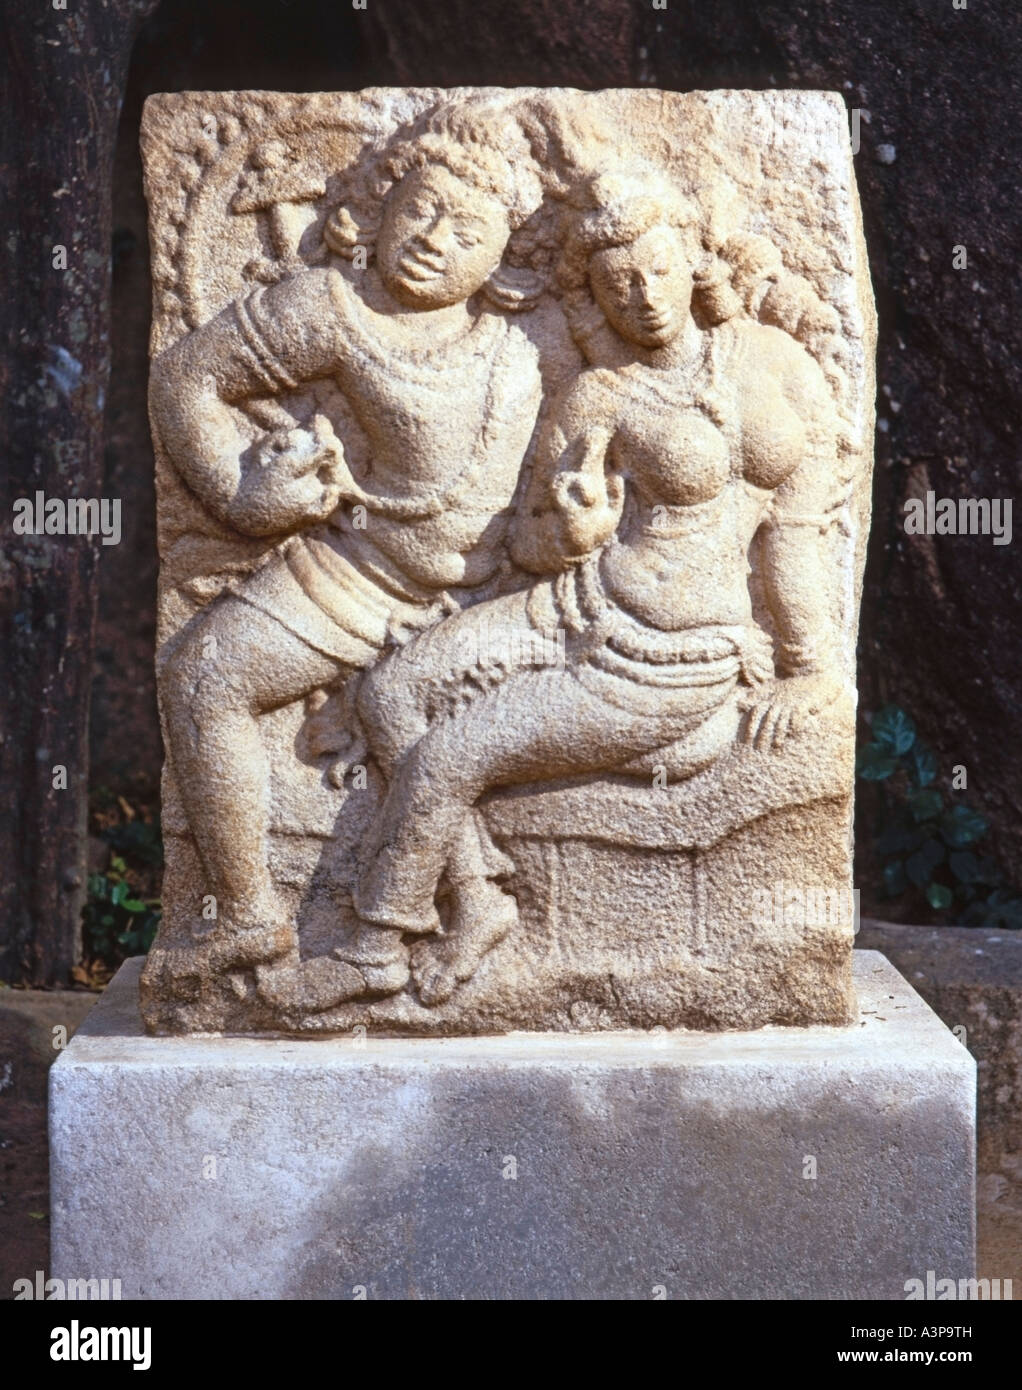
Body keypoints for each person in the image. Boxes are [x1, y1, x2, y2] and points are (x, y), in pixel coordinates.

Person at [349, 167, 850, 1005]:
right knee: (389, 693)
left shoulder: (773, 365)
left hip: (671, 653)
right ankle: (476, 896)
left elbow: (796, 534)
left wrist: (812, 667)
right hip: (578, 603)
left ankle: (369, 949)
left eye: (657, 270)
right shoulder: (598, 396)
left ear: (692, 262)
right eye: (619, 285)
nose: (644, 296)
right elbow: (531, 543)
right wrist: (574, 531)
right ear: (593, 297)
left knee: (448, 757)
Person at [148, 102, 549, 993]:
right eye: (421, 209)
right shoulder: (333, 307)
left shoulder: (529, 340)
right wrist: (242, 496)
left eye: (468, 231)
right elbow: (185, 378)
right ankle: (247, 916)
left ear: (507, 257)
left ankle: (469, 900)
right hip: (367, 569)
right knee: (202, 676)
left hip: (500, 588)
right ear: (376, 206)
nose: (435, 240)